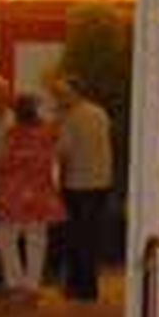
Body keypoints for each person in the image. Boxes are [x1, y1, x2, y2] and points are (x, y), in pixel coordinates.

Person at [0, 93, 64, 305]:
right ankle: (32, 286)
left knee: (6, 237)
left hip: (14, 192)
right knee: (37, 239)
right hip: (40, 191)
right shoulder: (48, 134)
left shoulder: (13, 135)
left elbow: (3, 162)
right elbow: (53, 161)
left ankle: (15, 283)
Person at [52, 75, 113, 301]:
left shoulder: (71, 117)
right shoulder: (100, 113)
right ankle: (88, 286)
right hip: (101, 181)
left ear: (74, 94)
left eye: (63, 94)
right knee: (91, 235)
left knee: (77, 236)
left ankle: (80, 286)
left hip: (78, 183)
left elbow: (63, 150)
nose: (60, 98)